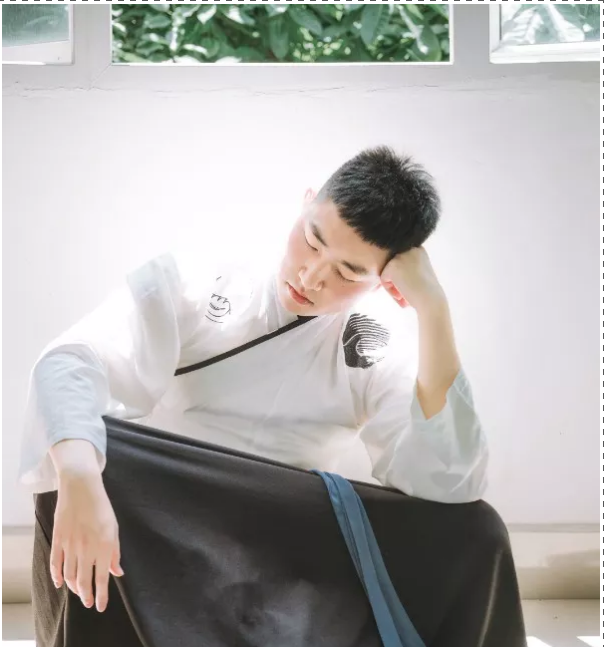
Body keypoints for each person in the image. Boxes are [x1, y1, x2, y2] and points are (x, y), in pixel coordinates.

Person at [19, 145, 488, 616]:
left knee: (479, 533)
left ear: (385, 281)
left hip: (277, 537)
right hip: (157, 510)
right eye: (312, 241)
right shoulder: (203, 276)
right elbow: (71, 361)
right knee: (74, 443)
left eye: (348, 272)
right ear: (306, 202)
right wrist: (79, 477)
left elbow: (447, 482)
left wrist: (433, 308)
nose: (311, 276)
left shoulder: (372, 341)